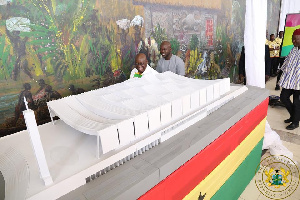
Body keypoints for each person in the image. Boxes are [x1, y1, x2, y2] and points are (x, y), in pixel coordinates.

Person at [278, 28, 300, 130]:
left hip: (299, 83)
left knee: (297, 102)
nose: (293, 41)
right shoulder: (293, 49)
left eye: (296, 39)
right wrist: (280, 73)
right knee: (283, 97)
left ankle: (295, 122)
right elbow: (287, 62)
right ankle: (294, 116)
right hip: (291, 81)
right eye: (292, 39)